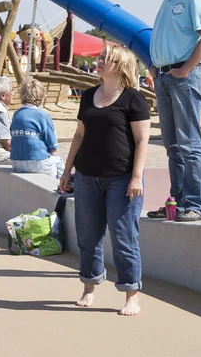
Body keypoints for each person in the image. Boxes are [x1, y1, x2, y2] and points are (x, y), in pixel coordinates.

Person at [57, 45, 150, 315]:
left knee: (123, 237)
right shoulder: (87, 96)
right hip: (87, 176)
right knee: (87, 236)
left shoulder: (134, 98)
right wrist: (67, 171)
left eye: (104, 59)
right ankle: (89, 286)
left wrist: (136, 177)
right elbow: (79, 135)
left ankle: (132, 295)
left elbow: (142, 139)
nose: (97, 62)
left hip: (122, 179)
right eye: (99, 58)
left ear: (119, 66)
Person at [146, 0, 201, 222]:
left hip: (183, 76)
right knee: (172, 145)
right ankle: (178, 200)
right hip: (165, 76)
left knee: (189, 143)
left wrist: (185, 69)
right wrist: (154, 66)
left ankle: (195, 203)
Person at [10, 80, 60, 176]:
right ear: (41, 95)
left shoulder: (16, 114)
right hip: (37, 161)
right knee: (59, 162)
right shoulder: (42, 115)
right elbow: (52, 145)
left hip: (16, 161)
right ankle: (62, 188)